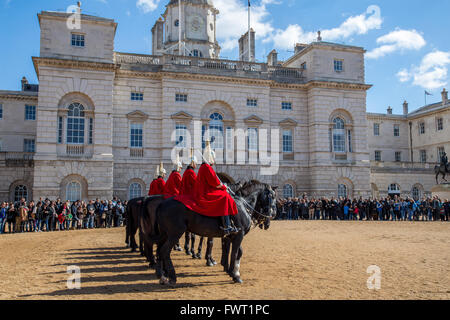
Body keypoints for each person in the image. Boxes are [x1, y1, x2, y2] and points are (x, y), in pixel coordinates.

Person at [175, 141, 239, 235]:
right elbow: (215, 183)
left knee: (223, 195)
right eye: (213, 158)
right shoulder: (207, 167)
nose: (214, 160)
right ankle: (226, 225)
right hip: (204, 193)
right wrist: (223, 186)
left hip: (204, 190)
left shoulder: (204, 167)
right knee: (225, 197)